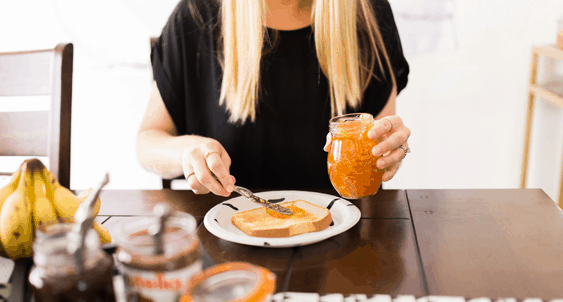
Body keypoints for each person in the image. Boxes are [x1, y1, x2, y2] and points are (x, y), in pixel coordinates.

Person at [137, 0, 411, 197]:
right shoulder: (195, 15)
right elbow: (147, 141)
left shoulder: (368, 12)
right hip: (227, 243)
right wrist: (187, 152)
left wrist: (388, 146)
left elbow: (383, 136)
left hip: (349, 242)